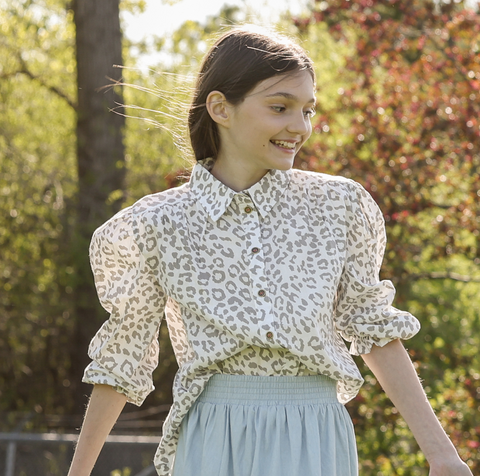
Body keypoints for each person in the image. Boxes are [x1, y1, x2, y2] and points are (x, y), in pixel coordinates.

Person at [67, 26, 473, 476]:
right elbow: (122, 359)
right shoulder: (157, 224)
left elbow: (373, 328)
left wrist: (442, 454)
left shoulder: (338, 206)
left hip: (315, 434)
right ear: (221, 108)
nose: (299, 127)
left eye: (308, 110)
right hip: (214, 436)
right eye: (280, 107)